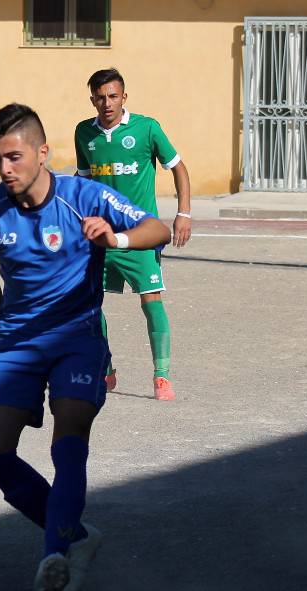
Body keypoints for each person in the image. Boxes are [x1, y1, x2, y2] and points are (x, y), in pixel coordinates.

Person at [0, 104, 171, 591]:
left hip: (77, 336)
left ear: (42, 153)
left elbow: (157, 229)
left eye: (14, 157)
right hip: (16, 341)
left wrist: (114, 235)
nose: (5, 169)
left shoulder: (85, 197)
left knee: (69, 435)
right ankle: (78, 535)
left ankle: (54, 553)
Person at [74, 68, 192, 400]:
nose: (106, 103)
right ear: (92, 99)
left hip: (141, 234)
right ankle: (107, 369)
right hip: (102, 234)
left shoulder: (147, 128)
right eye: (100, 97)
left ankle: (162, 376)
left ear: (124, 97)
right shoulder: (84, 133)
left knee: (151, 299)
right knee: (89, 305)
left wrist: (183, 214)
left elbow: (178, 168)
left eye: (113, 96)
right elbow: (83, 181)